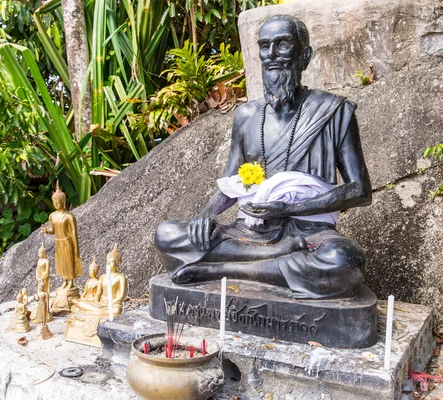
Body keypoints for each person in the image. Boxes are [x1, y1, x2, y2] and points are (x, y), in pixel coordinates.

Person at [155, 15, 372, 300]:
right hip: (252, 231)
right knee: (168, 234)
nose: (272, 56)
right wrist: (206, 216)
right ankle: (270, 263)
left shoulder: (334, 112)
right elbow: (232, 184)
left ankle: (216, 271)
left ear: (304, 56)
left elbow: (360, 190)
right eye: (264, 46)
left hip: (309, 233)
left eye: (282, 45)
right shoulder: (247, 116)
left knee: (344, 260)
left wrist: (293, 208)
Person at [42, 184, 82, 289]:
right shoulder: (52, 216)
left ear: (63, 202)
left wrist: (76, 247)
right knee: (61, 263)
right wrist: (46, 231)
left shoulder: (69, 216)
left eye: (58, 201)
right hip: (58, 242)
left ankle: (71, 282)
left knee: (69, 261)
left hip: (66, 241)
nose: (56, 204)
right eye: (54, 202)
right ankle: (64, 280)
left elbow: (73, 232)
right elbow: (53, 230)